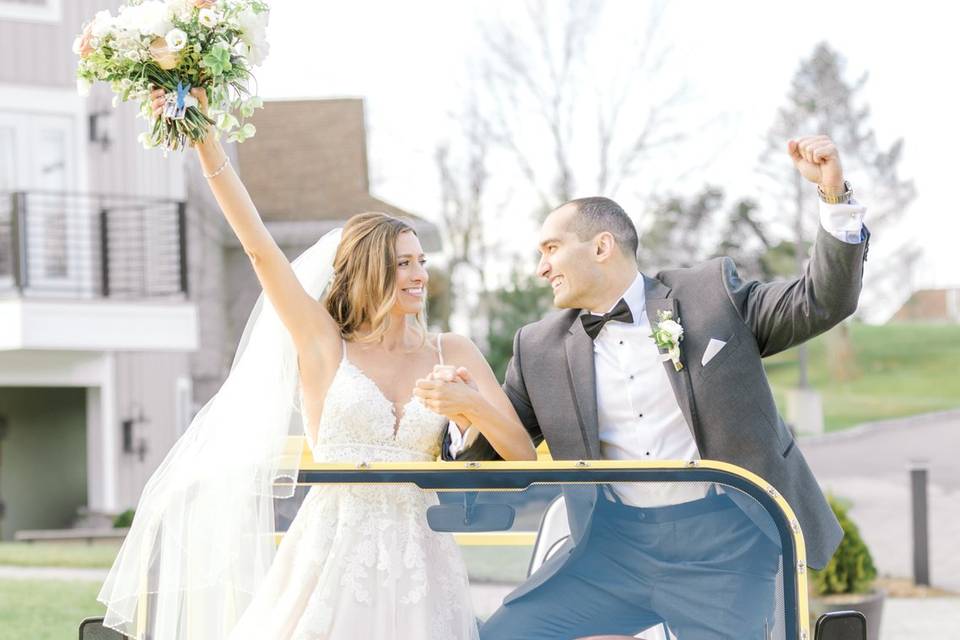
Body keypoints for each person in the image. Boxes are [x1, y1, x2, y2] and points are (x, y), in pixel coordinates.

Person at [96, 87, 535, 640]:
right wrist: (206, 141)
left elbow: (519, 456)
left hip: (424, 557)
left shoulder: (456, 351)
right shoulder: (326, 345)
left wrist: (468, 404)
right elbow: (259, 249)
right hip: (330, 552)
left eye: (422, 261)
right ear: (371, 270)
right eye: (403, 264)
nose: (420, 274)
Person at [416, 136, 868, 639]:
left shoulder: (710, 295)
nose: (541, 267)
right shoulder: (538, 348)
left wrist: (833, 196)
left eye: (551, 248)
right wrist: (466, 414)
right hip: (610, 553)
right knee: (502, 635)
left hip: (723, 552)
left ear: (601, 246)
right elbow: (499, 457)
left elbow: (820, 301)